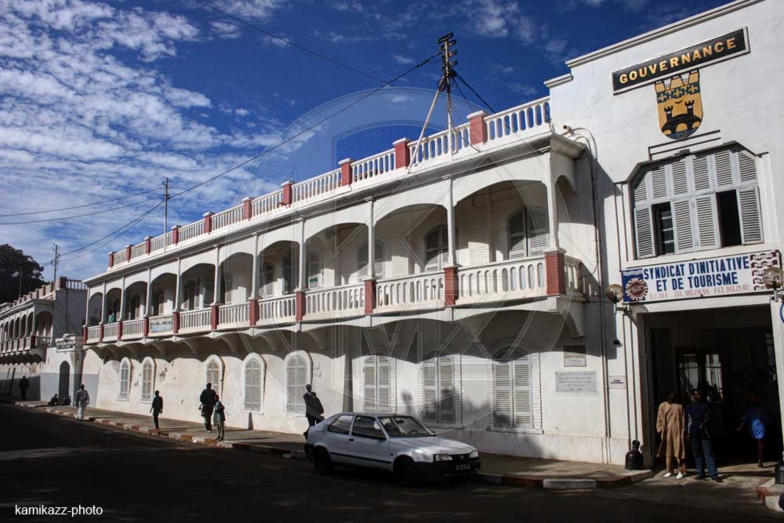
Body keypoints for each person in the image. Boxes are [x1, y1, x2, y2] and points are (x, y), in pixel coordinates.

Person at [685, 389, 722, 482]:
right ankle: (700, 473)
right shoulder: (689, 407)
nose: (699, 396)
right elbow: (688, 420)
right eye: (697, 395)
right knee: (697, 453)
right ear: (693, 396)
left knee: (708, 453)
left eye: (700, 394)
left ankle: (714, 474)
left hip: (705, 432)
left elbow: (709, 417)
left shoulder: (705, 406)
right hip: (694, 433)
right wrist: (688, 433)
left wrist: (703, 424)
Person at [656, 391, 686, 479]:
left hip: (677, 431)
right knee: (668, 451)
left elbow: (683, 419)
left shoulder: (679, 406)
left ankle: (681, 470)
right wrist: (660, 429)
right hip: (667, 431)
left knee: (679, 450)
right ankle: (669, 470)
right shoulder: (663, 406)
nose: (672, 398)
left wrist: (683, 430)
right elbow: (659, 418)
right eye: (670, 396)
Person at [737, 394, 770, 467]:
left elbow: (744, 420)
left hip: (754, 429)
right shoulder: (759, 409)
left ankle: (759, 458)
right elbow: (766, 419)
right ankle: (760, 458)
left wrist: (739, 428)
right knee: (760, 444)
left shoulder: (750, 410)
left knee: (758, 444)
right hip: (759, 428)